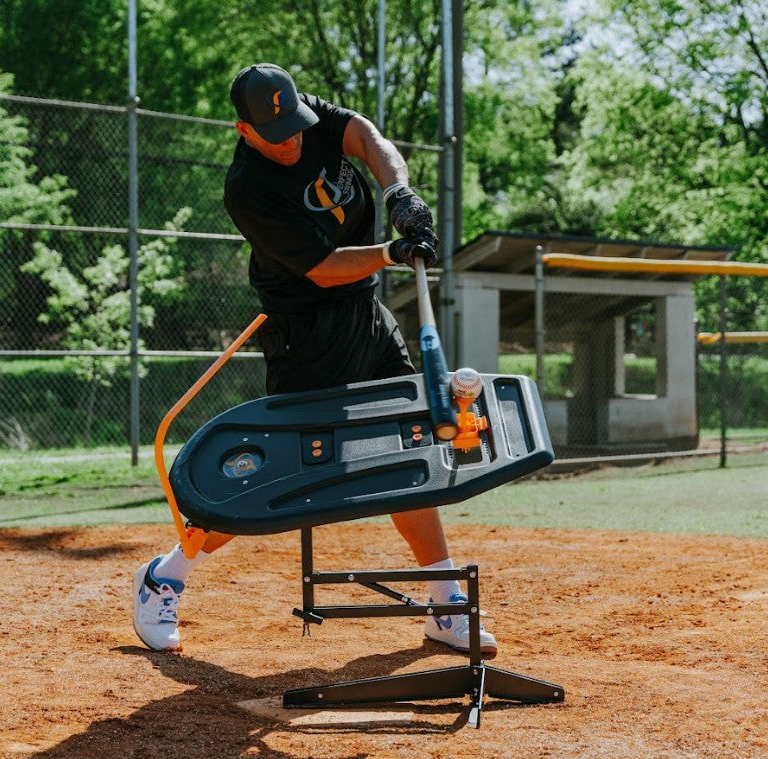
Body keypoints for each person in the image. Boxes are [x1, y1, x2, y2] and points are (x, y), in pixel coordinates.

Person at [132, 63, 497, 657]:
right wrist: (390, 250)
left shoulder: (304, 116)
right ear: (244, 130)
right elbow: (324, 269)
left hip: (366, 315)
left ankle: (442, 600)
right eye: (276, 134)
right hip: (305, 331)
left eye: (297, 126)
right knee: (285, 482)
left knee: (412, 448)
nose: (293, 140)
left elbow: (366, 138)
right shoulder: (246, 187)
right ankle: (165, 576)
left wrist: (397, 190)